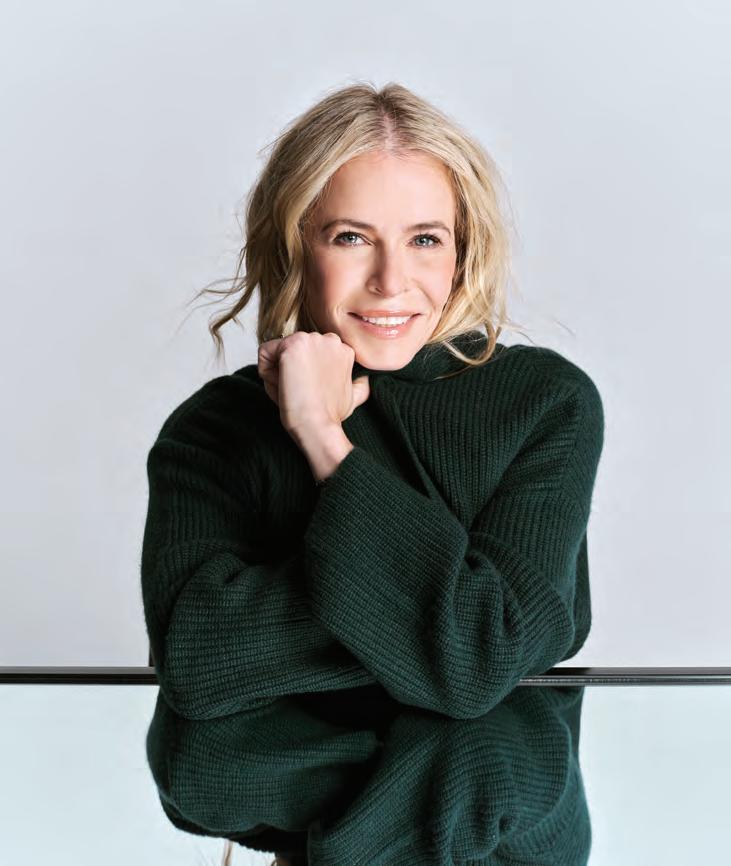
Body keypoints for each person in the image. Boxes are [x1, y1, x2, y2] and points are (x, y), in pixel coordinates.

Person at [141, 80, 604, 865]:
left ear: (463, 250)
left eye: (424, 239)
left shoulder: (542, 402)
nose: (391, 281)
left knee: (492, 747)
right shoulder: (216, 430)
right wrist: (449, 626)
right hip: (474, 791)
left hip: (495, 838)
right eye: (351, 237)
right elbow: (197, 664)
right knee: (472, 744)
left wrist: (325, 440)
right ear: (294, 243)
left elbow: (476, 662)